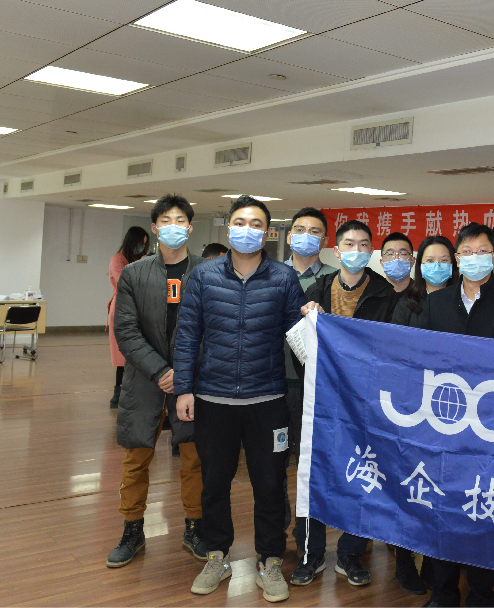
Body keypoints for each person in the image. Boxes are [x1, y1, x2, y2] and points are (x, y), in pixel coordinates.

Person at [173, 195, 306, 603]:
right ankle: (217, 555)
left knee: (270, 485)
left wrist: (312, 319)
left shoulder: (283, 278)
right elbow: (187, 335)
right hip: (213, 400)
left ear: (267, 233)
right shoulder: (203, 276)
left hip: (268, 400)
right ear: (228, 227)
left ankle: (270, 560)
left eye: (256, 224)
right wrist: (184, 388)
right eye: (240, 222)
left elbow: (299, 337)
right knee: (214, 482)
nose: (247, 230)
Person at [418, 222, 494, 608]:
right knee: (442, 511)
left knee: (482, 511)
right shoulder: (436, 304)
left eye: (482, 251)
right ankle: (443, 593)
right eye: (466, 252)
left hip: (492, 429)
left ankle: (483, 595)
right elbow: (418, 360)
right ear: (457, 259)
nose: (474, 258)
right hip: (444, 424)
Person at [298, 219, 399, 589]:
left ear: (370, 250)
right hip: (322, 398)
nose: (356, 250)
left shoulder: (386, 295)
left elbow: (391, 350)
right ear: (337, 251)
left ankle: (351, 553)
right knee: (314, 472)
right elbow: (298, 347)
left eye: (363, 244)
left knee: (363, 473)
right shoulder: (317, 289)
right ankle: (309, 553)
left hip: (367, 403)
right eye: (349, 244)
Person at [107, 195, 206, 568]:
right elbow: (126, 330)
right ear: (154, 228)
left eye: (180, 220)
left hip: (191, 383)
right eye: (166, 220)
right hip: (145, 380)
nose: (173, 227)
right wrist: (161, 371)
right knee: (136, 458)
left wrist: (183, 373)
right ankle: (132, 529)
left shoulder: (207, 273)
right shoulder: (134, 274)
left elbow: (213, 330)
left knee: (194, 459)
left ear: (190, 228)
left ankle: (194, 527)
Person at [387, 234, 458, 595]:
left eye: (444, 260)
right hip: (412, 409)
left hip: (451, 410)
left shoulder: (463, 302)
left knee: (442, 489)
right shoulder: (407, 304)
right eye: (430, 260)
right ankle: (404, 561)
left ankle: (434, 561)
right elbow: (396, 352)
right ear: (419, 265)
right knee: (411, 485)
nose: (437, 266)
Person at [279, 208, 333, 586]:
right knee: (271, 467)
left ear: (324, 240)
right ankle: (273, 538)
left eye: (314, 231)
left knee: (309, 470)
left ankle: (310, 550)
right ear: (288, 236)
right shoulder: (270, 275)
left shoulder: (332, 281)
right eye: (299, 229)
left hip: (313, 391)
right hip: (270, 386)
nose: (305, 236)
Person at [108, 226, 149, 408]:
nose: (142, 248)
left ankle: (134, 393)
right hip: (122, 309)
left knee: (137, 353)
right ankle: (118, 395)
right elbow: (126, 283)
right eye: (141, 244)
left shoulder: (137, 259)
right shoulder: (118, 259)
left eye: (145, 245)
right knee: (122, 355)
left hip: (139, 309)